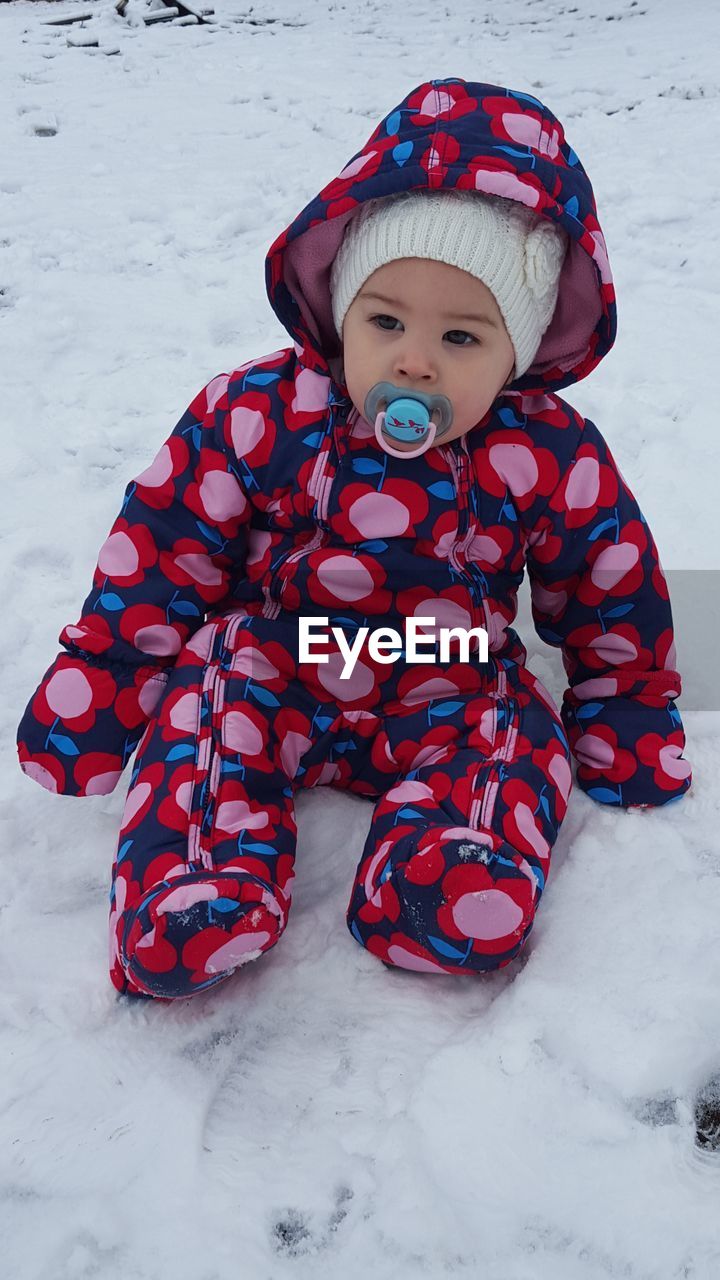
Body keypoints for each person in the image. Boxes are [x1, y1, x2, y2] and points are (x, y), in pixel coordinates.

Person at [16, 77, 692, 1001]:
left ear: (518, 356)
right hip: (280, 652)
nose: (413, 360)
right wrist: (106, 672)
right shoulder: (259, 411)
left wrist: (625, 702)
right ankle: (194, 881)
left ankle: (449, 875)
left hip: (449, 669)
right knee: (210, 701)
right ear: (340, 310)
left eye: (461, 337)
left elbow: (610, 581)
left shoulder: (546, 450)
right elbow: (168, 541)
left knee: (509, 734)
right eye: (385, 322)